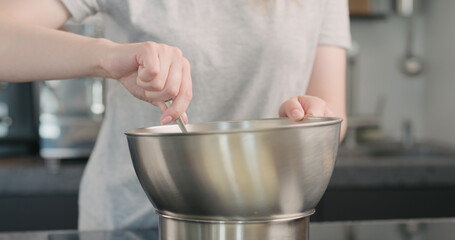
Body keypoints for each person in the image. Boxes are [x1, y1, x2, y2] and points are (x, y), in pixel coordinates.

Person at [0, 0, 350, 230]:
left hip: (267, 227)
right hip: (129, 226)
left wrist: (314, 118)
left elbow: (331, 110)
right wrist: (105, 56)